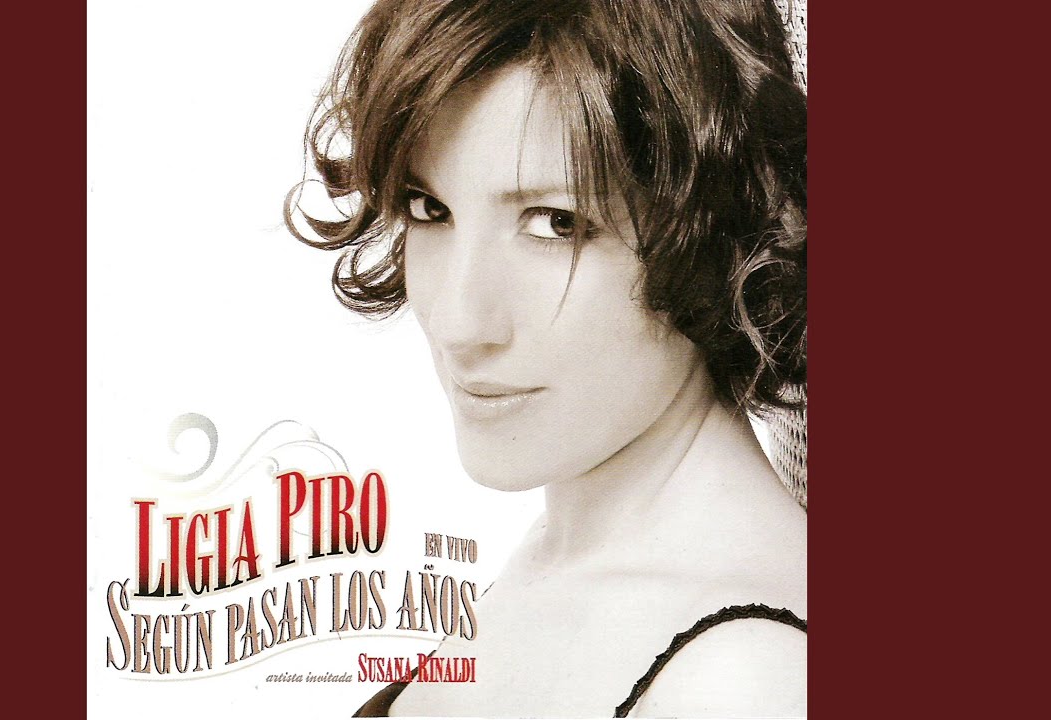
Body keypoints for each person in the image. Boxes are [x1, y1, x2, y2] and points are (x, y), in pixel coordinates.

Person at [286, 0, 807, 716]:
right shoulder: (564, 556)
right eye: (429, 209)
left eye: (557, 223)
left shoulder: (743, 679)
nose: (458, 323)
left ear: (712, 228)